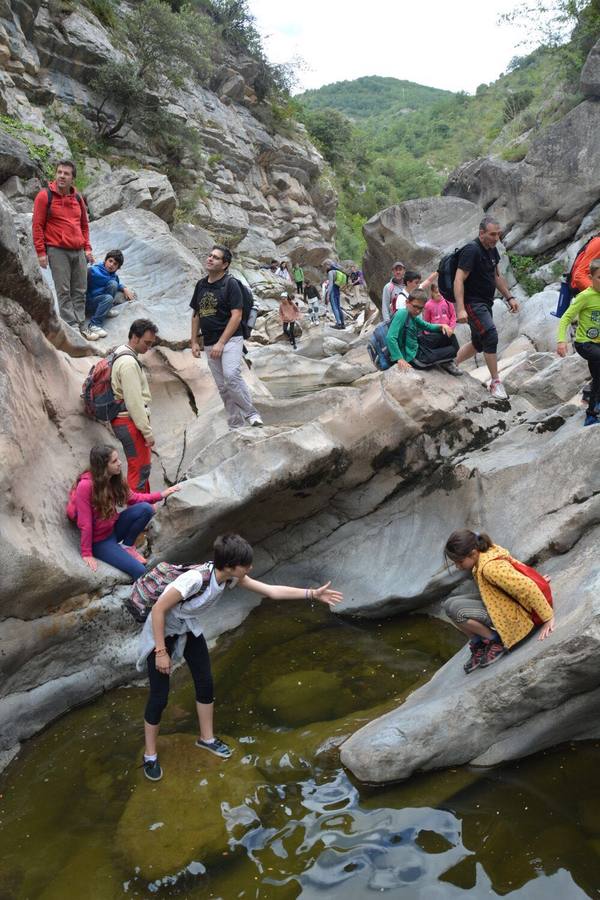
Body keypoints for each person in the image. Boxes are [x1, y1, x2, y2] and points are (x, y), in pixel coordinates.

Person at [136, 533, 343, 781]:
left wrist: (312, 594)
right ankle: (150, 755)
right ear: (232, 566)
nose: (251, 568)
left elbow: (271, 591)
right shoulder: (194, 580)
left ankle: (207, 738)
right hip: (161, 633)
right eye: (246, 565)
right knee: (159, 697)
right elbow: (158, 609)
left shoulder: (229, 578)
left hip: (187, 628)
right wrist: (161, 652)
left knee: (205, 683)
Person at [443, 529, 555, 674]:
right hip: (500, 602)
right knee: (448, 605)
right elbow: (514, 568)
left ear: (472, 553)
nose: (458, 567)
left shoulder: (490, 567)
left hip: (517, 616)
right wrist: (536, 578)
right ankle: (479, 642)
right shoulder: (485, 552)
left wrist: (548, 617)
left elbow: (527, 587)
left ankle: (495, 640)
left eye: (459, 562)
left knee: (459, 611)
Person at [68, 444, 180, 580]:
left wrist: (162, 494)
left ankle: (127, 546)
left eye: (118, 459)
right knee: (140, 570)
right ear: (103, 466)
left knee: (146, 509)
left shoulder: (114, 478)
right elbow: (85, 523)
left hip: (113, 528)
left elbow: (134, 498)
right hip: (100, 542)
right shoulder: (85, 486)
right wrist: (87, 553)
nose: (120, 463)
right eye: (114, 461)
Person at [190, 245, 263, 429]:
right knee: (222, 387)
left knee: (231, 376)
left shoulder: (230, 284)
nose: (210, 259)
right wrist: (193, 342)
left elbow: (236, 315)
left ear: (225, 264)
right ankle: (236, 424)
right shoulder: (201, 285)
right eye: (209, 255)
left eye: (215, 257)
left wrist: (221, 343)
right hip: (209, 341)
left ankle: (252, 414)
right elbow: (196, 314)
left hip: (231, 339)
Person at [453, 216, 519, 399]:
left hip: (485, 302)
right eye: (492, 234)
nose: (496, 237)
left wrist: (510, 296)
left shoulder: (492, 250)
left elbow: (496, 277)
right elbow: (459, 279)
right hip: (472, 302)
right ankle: (496, 382)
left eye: (498, 234)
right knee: (489, 334)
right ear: (481, 233)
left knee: (478, 342)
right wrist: (460, 309)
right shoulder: (471, 250)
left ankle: (451, 363)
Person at [32, 160, 95, 339]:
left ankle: (82, 325)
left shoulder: (77, 198)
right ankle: (72, 327)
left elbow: (84, 225)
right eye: (59, 172)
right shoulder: (45, 196)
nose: (61, 176)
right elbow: (37, 226)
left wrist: (87, 248)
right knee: (63, 290)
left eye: (66, 173)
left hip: (78, 250)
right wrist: (41, 252)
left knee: (81, 289)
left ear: (72, 178)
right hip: (57, 250)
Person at [111, 319, 159, 492]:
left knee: (140, 466)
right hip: (129, 421)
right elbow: (134, 402)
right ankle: (138, 511)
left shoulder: (121, 352)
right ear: (135, 338)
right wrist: (147, 432)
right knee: (139, 468)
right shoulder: (129, 363)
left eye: (151, 343)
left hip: (125, 421)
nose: (149, 347)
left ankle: (146, 505)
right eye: (147, 342)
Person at [557, 257, 600, 426]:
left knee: (598, 376)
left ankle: (591, 413)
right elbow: (566, 317)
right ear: (591, 278)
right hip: (584, 343)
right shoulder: (585, 296)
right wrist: (562, 341)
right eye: (599, 278)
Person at [386, 288, 459, 374]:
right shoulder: (402, 313)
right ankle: (445, 362)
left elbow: (427, 326)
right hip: (414, 357)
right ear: (407, 302)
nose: (417, 310)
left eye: (420, 308)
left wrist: (442, 326)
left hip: (417, 345)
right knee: (453, 349)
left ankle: (445, 360)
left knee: (450, 336)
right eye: (415, 306)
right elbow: (390, 337)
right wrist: (400, 359)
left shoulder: (412, 315)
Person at [85, 249, 135, 338]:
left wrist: (124, 288)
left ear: (118, 267)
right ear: (105, 260)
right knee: (108, 297)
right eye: (110, 261)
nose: (111, 265)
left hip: (100, 301)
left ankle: (105, 310)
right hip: (88, 302)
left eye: (115, 264)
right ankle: (94, 324)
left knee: (113, 284)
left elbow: (115, 283)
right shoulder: (93, 270)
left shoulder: (114, 276)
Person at [421, 281, 460, 365]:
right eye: (436, 292)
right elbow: (426, 321)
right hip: (435, 332)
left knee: (452, 346)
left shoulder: (447, 301)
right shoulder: (428, 305)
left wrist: (451, 328)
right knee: (440, 347)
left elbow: (453, 316)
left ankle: (450, 363)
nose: (438, 294)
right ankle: (441, 363)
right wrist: (428, 334)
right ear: (432, 293)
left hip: (448, 330)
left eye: (440, 292)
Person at [325, 260, 346, 329]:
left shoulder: (331, 272)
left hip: (333, 291)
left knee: (334, 307)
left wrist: (328, 295)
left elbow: (330, 285)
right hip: (337, 290)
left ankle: (338, 323)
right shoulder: (337, 272)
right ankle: (343, 323)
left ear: (329, 265)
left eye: (326, 265)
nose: (325, 267)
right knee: (338, 307)